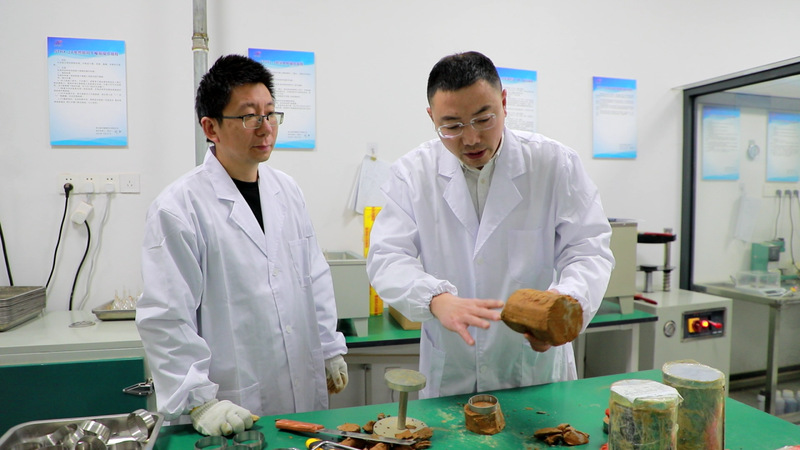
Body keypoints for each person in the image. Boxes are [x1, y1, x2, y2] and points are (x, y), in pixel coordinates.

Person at [366, 51, 614, 399]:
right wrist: (435, 299)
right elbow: (387, 258)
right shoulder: (412, 174)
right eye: (452, 126)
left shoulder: (554, 164)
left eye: (484, 119)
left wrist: (561, 310)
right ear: (431, 117)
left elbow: (588, 251)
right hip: (452, 371)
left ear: (505, 103)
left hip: (533, 370)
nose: (470, 139)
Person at [136, 54, 348, 436]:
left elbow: (313, 275)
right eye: (250, 116)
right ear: (211, 127)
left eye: (270, 114)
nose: (265, 128)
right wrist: (199, 400)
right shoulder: (178, 208)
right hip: (228, 404)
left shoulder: (287, 191)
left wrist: (329, 346)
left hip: (300, 391)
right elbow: (166, 318)